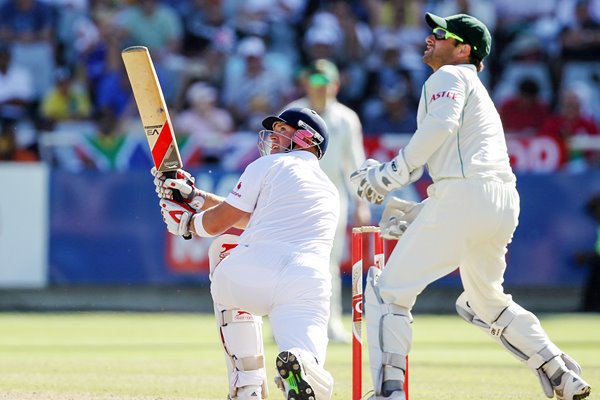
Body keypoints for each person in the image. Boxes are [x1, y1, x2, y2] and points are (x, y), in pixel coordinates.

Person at [349, 12, 592, 400]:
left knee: (388, 293)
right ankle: (558, 369)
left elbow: (440, 126)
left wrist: (390, 174)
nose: (431, 37)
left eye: (441, 34)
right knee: (485, 301)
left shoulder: (449, 75)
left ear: (463, 49)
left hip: (466, 196)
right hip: (499, 201)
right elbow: (467, 168)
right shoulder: (475, 88)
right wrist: (421, 214)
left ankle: (389, 392)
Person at [154, 107, 338, 400]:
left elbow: (220, 222)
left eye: (284, 131)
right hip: (308, 283)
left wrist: (188, 224)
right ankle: (308, 370)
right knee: (303, 352)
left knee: (224, 251)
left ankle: (248, 385)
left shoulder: (266, 166)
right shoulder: (330, 189)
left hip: (253, 272)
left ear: (307, 138)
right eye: (274, 130)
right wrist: (195, 197)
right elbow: (255, 217)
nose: (275, 137)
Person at [286, 58, 371, 343]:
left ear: (335, 84)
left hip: (332, 199)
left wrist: (361, 203)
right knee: (291, 261)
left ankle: (330, 323)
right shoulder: (291, 114)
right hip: (296, 199)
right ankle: (287, 322)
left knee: (329, 263)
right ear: (305, 83)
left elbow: (354, 164)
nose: (319, 88)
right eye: (314, 81)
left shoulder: (346, 118)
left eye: (324, 82)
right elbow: (277, 158)